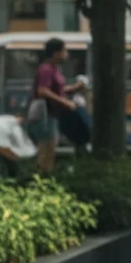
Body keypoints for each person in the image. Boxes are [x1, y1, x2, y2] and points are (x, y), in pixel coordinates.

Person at [27, 38, 87, 171]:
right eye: (64, 50)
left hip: (53, 115)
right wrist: (65, 102)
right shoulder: (46, 69)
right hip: (45, 116)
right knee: (46, 152)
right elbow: (43, 91)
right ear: (56, 53)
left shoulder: (55, 69)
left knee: (50, 151)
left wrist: (73, 89)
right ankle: (41, 181)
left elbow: (56, 90)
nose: (66, 54)